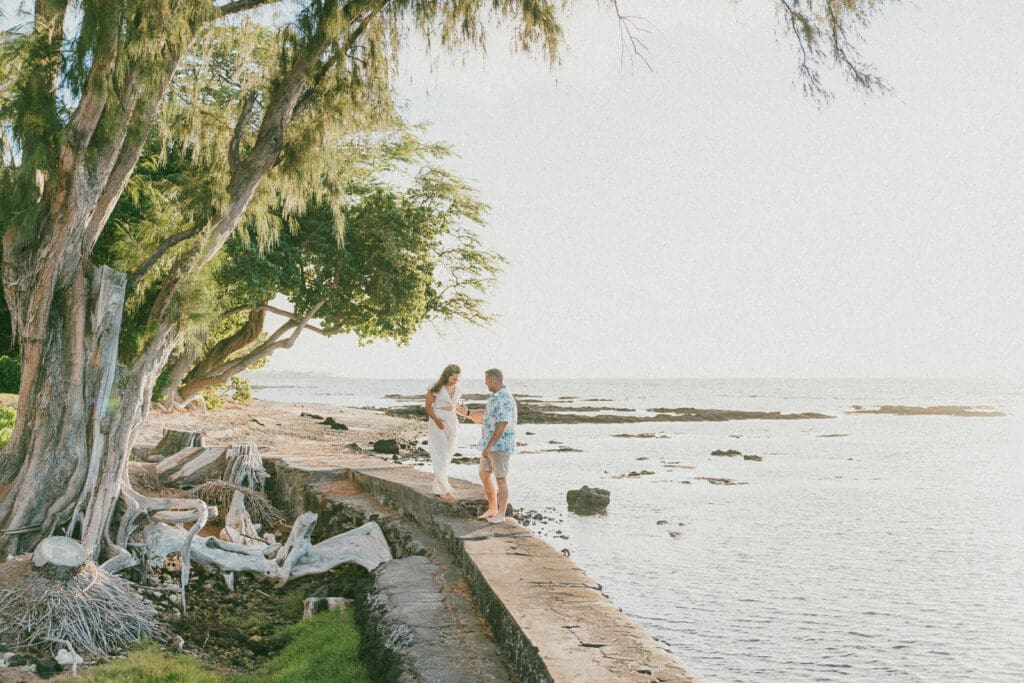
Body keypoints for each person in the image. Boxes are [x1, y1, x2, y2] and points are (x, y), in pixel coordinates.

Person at [467, 368, 517, 523]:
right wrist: (467, 412)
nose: (485, 383)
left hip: (500, 446)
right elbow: (488, 416)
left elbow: (503, 423)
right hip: (489, 445)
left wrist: (490, 446)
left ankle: (501, 514)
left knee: (500, 479)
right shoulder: (495, 397)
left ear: (494, 381)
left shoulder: (504, 398)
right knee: (484, 474)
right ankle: (493, 508)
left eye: (487, 380)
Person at [424, 364, 464, 502]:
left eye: (458, 378)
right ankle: (445, 490)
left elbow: (456, 405)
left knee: (449, 453)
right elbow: (428, 407)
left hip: (452, 420)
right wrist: (437, 421)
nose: (456, 381)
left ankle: (438, 487)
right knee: (439, 454)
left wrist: (463, 409)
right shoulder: (435, 387)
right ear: (447, 375)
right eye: (454, 378)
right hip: (438, 420)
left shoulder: (459, 388)